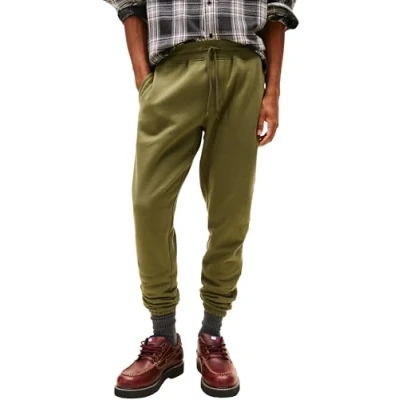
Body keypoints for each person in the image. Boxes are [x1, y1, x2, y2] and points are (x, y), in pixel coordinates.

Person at [103, 0, 299, 397]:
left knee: (231, 210)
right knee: (149, 205)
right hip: (171, 71)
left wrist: (272, 90)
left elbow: (277, 10)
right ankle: (163, 337)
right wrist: (144, 81)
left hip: (242, 69)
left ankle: (211, 335)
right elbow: (129, 4)